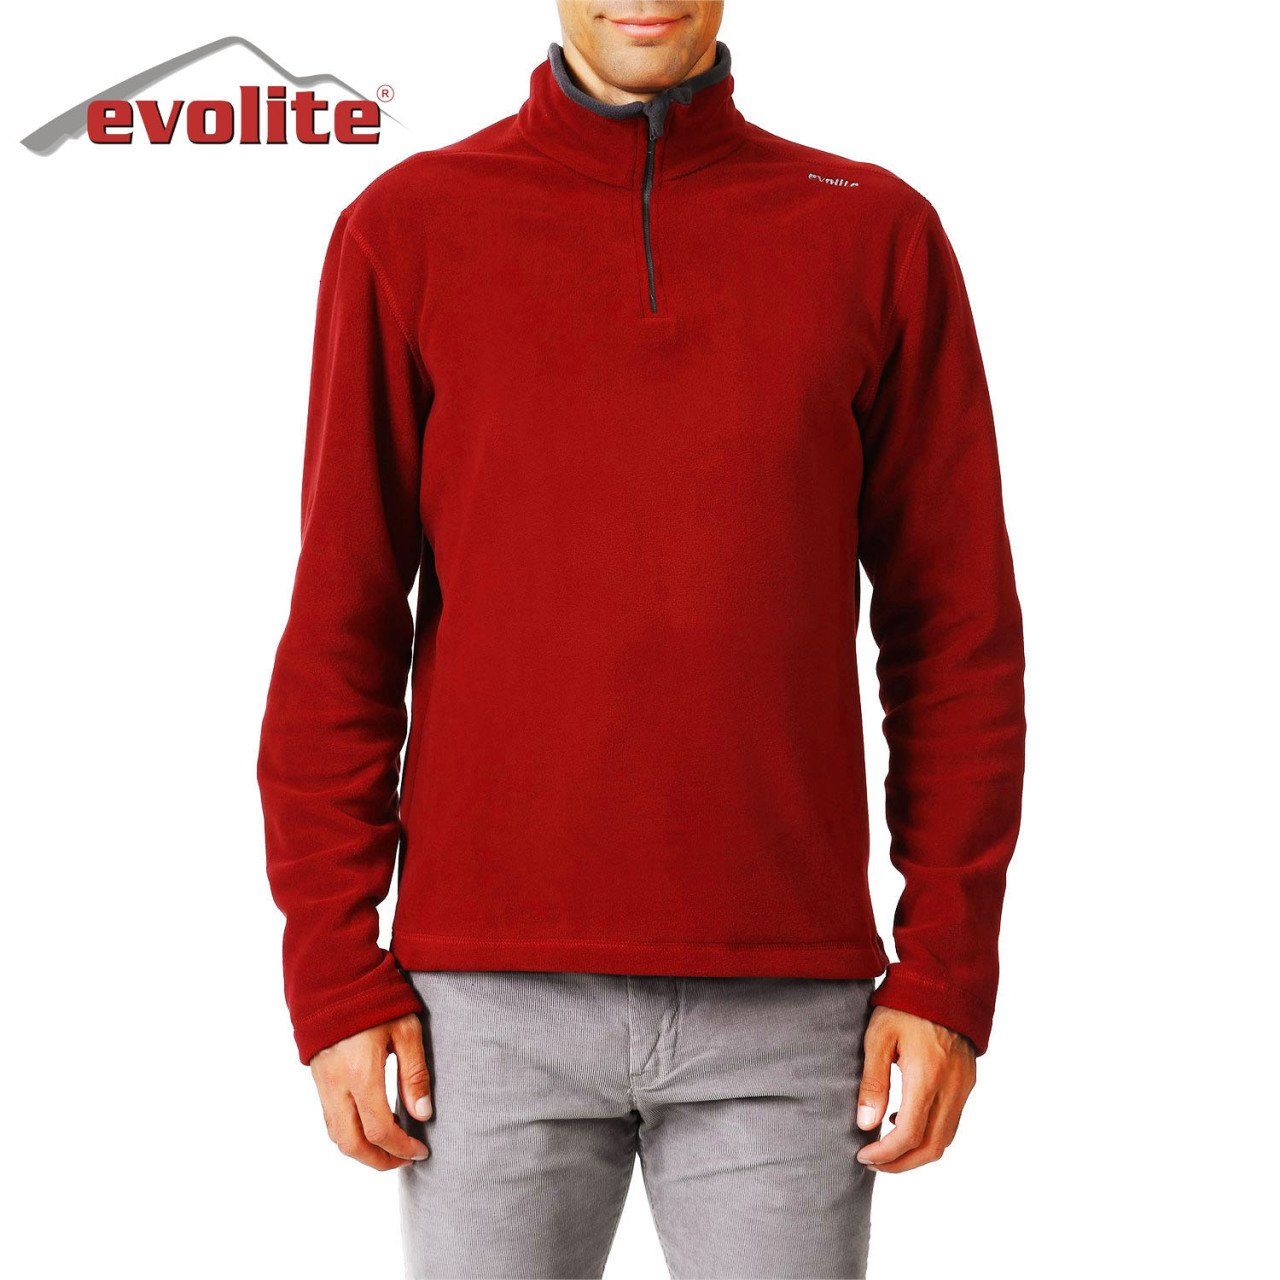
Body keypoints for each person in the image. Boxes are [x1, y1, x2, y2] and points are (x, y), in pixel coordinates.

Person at [258, 2, 1025, 1275]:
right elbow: (342, 622)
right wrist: (334, 968)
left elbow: (955, 634)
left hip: (790, 1009)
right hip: (482, 1012)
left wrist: (946, 970)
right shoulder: (407, 229)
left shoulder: (873, 231)